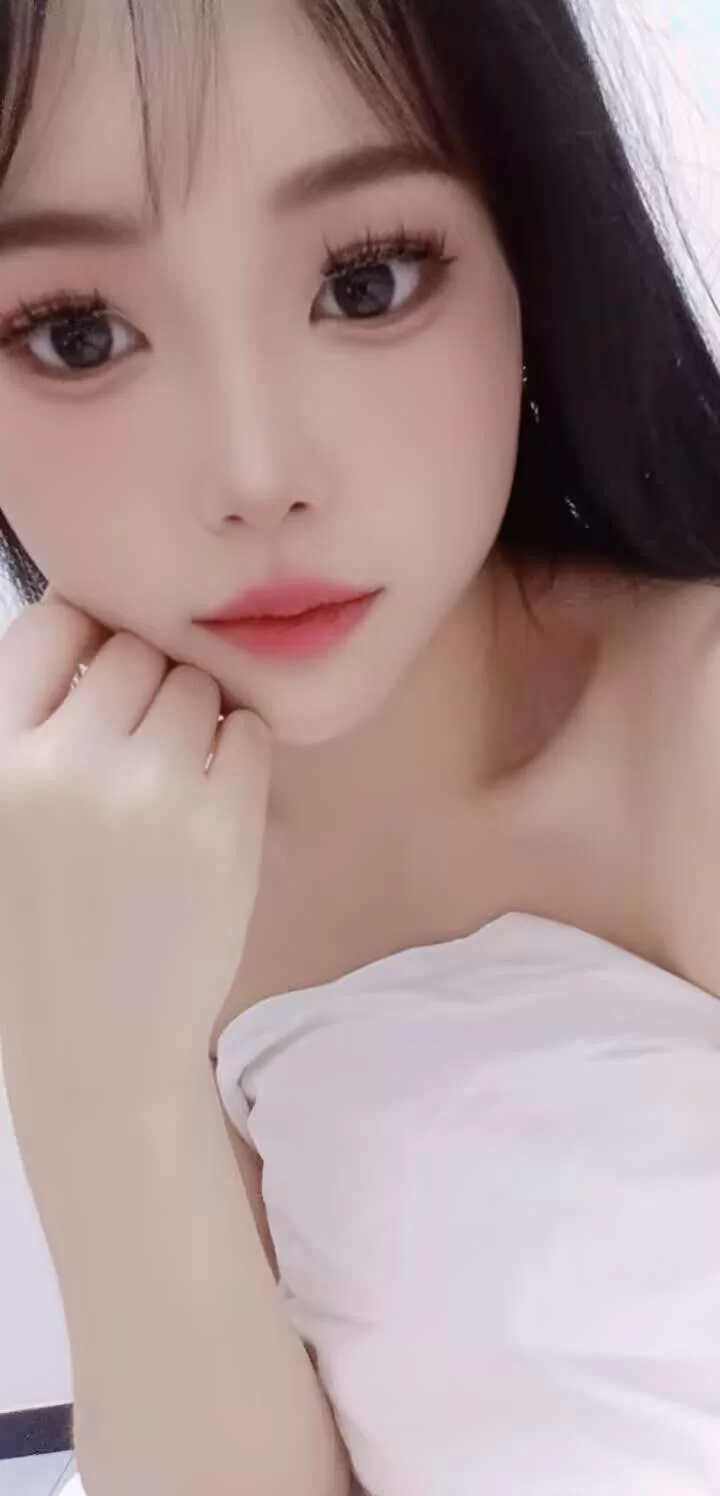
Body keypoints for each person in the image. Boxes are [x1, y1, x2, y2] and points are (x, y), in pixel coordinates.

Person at [0, 0, 719, 1492]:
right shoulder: (107, 857)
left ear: (530, 256)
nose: (256, 473)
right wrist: (96, 1092)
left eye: (365, 281)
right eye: (78, 335)